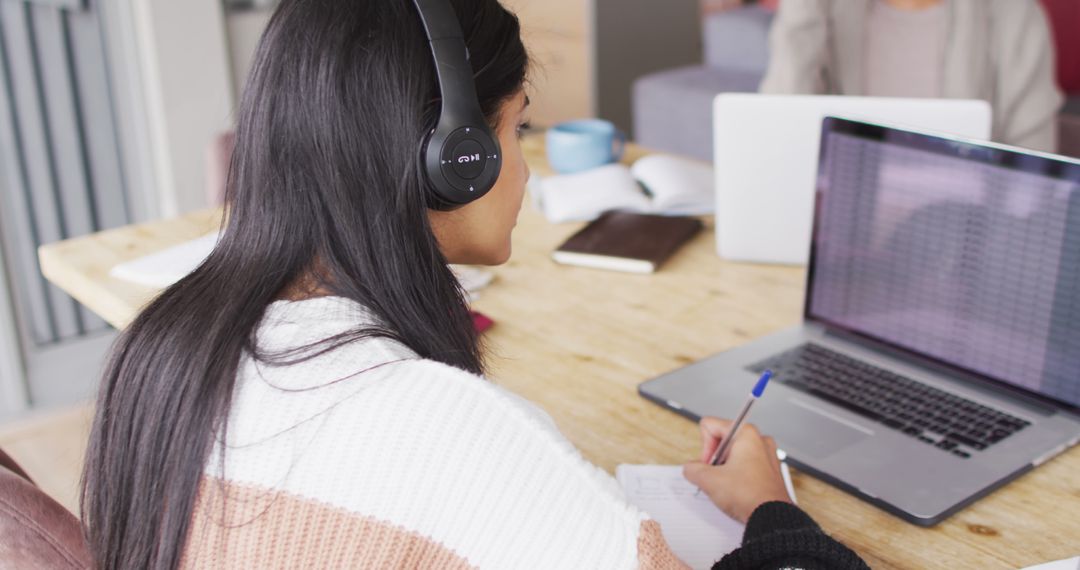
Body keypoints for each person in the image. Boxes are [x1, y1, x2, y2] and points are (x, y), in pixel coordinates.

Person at [79, 0, 869, 568]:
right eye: (516, 127)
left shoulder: (158, 349)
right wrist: (773, 517)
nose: (524, 165)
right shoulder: (447, 433)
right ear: (458, 156)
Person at [760, 0, 1064, 153]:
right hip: (837, 236)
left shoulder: (1014, 14)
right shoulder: (824, 11)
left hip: (965, 243)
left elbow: (1034, 190)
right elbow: (774, 142)